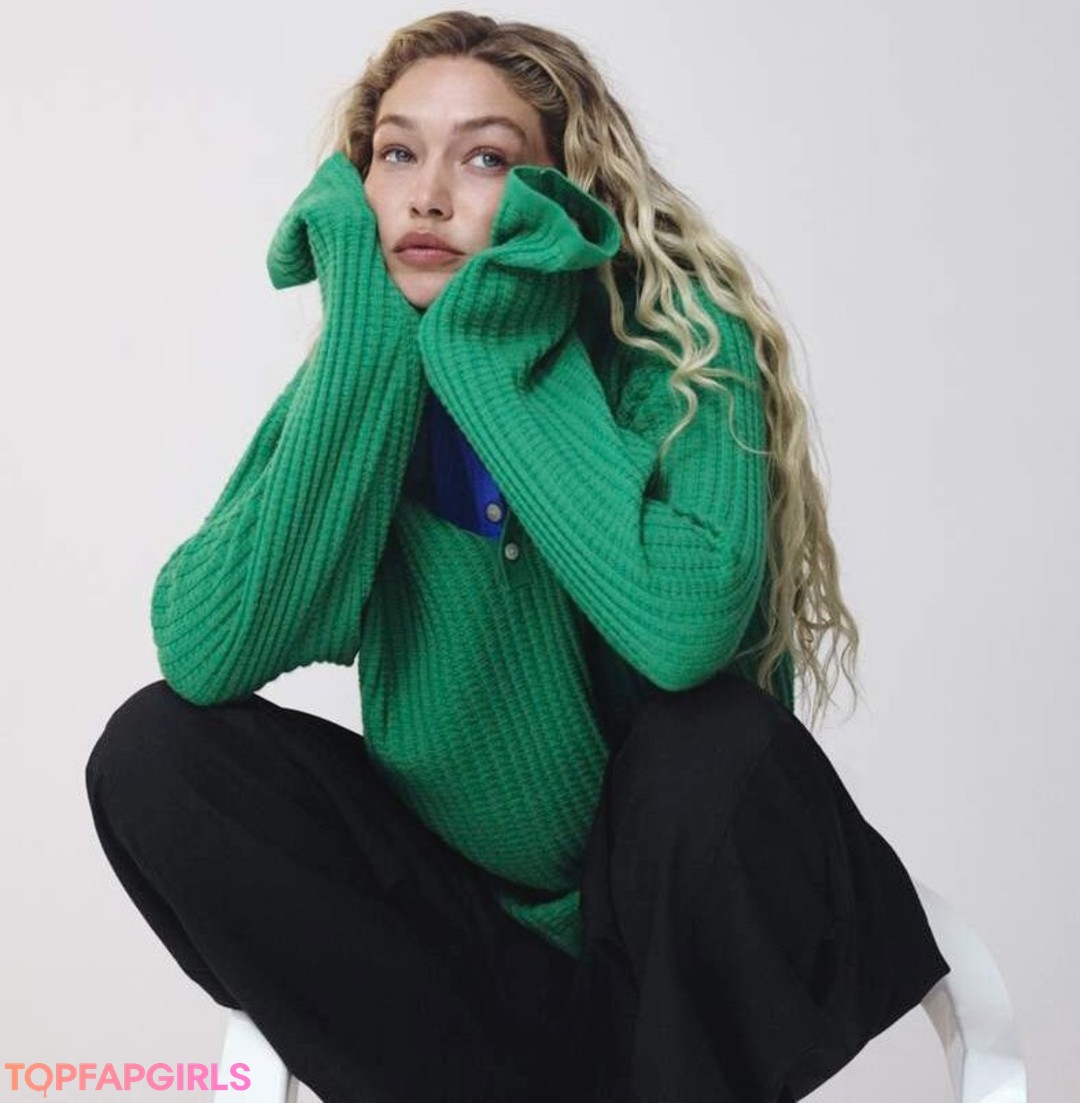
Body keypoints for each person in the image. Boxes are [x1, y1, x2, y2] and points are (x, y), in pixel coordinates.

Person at [84, 10, 950, 1103]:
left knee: (716, 739)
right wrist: (365, 341)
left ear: (562, 191)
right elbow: (203, 650)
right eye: (397, 154)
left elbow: (684, 633)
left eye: (485, 158)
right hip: (467, 949)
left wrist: (490, 350)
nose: (428, 196)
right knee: (156, 752)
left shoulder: (681, 349)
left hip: (680, 931)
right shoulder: (363, 379)